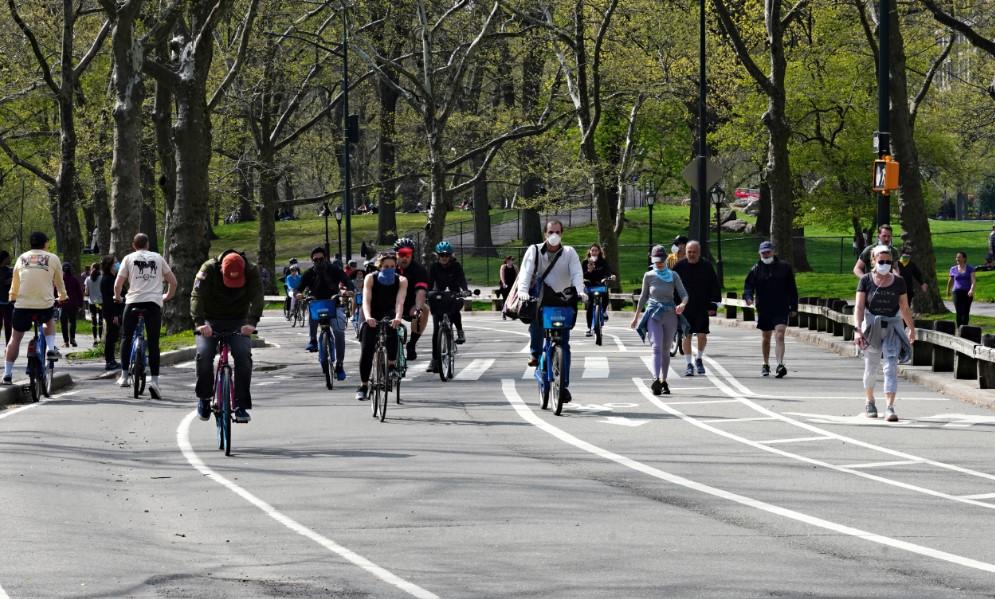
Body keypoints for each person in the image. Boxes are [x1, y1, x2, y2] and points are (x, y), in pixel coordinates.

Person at [191, 250, 263, 423]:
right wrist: (200, 323)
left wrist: (252, 323)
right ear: (222, 270)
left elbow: (258, 296)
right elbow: (197, 296)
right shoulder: (208, 269)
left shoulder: (251, 270)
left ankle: (241, 405)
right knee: (204, 354)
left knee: (243, 356)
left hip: (238, 320)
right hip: (210, 319)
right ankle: (204, 398)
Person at [517, 220, 585, 404]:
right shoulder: (534, 250)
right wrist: (522, 292)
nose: (554, 235)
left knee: (564, 343)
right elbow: (525, 271)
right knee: (537, 325)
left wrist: (580, 290)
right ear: (545, 233)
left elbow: (577, 273)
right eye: (550, 231)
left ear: (562, 233)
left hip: (563, 300)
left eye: (557, 231)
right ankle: (536, 353)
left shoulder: (569, 252)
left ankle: (563, 385)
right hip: (541, 298)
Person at [854, 245, 916, 422]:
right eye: (881, 261)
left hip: (892, 327)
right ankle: (870, 400)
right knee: (871, 368)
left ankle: (890, 407)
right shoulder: (865, 280)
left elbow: (904, 307)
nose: (885, 264)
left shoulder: (899, 282)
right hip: (872, 327)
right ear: (873, 261)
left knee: (890, 367)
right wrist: (858, 330)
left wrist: (911, 328)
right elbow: (859, 307)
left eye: (888, 262)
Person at [114, 233, 178, 399]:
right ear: (148, 244)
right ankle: (155, 381)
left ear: (133, 245)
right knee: (154, 342)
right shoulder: (158, 258)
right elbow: (173, 282)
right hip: (153, 303)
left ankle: (124, 376)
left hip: (133, 302)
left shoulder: (128, 258)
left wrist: (118, 297)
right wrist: (166, 296)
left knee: (127, 337)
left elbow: (118, 284)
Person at [3, 232, 67, 385]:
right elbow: (59, 281)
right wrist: (63, 296)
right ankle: (50, 349)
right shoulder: (52, 258)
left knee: (15, 339)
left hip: (22, 305)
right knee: (49, 319)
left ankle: (7, 374)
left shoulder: (21, 258)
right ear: (45, 243)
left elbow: (15, 282)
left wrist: (12, 296)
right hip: (44, 304)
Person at [631, 245, 688, 395]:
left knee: (665, 349)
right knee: (656, 347)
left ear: (666, 259)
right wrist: (636, 317)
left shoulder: (673, 275)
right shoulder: (648, 276)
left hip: (670, 314)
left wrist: (682, 304)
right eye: (656, 260)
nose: (659, 263)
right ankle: (655, 379)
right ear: (652, 260)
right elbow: (643, 297)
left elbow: (684, 294)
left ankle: (664, 380)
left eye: (661, 260)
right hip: (654, 314)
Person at [295, 245, 353, 379]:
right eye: (315, 260)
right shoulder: (309, 273)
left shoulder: (335, 269)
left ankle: (339, 364)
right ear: (312, 261)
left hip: (334, 304)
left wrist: (349, 290)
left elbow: (347, 281)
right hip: (317, 304)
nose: (318, 262)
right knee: (312, 310)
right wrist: (298, 294)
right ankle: (313, 339)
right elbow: (299, 288)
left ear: (326, 258)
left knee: (339, 332)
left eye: (321, 259)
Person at [355, 251, 407, 401]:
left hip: (389, 312)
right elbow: (366, 300)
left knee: (393, 330)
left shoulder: (402, 280)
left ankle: (391, 365)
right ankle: (363, 385)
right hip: (371, 313)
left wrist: (398, 317)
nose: (389, 269)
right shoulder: (370, 278)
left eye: (392, 266)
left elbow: (400, 301)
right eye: (385, 266)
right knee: (367, 349)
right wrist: (368, 317)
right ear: (379, 266)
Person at [744, 241, 798, 378]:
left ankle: (780, 364)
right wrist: (748, 297)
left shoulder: (784, 267)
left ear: (773, 252)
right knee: (766, 337)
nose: (766, 254)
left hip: (781, 306)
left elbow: (792, 288)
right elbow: (748, 286)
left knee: (779, 334)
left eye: (768, 252)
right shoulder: (756, 269)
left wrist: (793, 306)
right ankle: (765, 363)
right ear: (759, 253)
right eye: (763, 252)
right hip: (764, 307)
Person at [673, 240, 720, 376]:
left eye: (694, 252)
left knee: (702, 335)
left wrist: (713, 305)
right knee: (686, 336)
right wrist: (674, 304)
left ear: (699, 252)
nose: (692, 254)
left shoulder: (706, 266)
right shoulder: (678, 267)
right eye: (689, 252)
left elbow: (714, 286)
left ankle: (699, 358)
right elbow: (673, 288)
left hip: (702, 306)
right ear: (685, 252)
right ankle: (688, 363)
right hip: (684, 308)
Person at [427, 241, 469, 373]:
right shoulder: (434, 267)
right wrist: (426, 292)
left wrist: (465, 290)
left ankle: (460, 331)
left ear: (450, 255)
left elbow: (462, 280)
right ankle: (434, 360)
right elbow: (429, 282)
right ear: (437, 256)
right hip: (439, 296)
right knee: (435, 331)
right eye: (441, 255)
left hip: (454, 294)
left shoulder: (456, 266)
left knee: (455, 307)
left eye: (446, 255)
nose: (444, 257)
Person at [393, 238, 430, 361]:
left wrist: (418, 308)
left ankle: (412, 344)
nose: (405, 258)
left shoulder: (419, 270)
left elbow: (421, 291)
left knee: (424, 310)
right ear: (396, 254)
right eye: (402, 254)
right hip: (391, 304)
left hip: (410, 304)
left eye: (408, 254)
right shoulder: (389, 267)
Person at [583, 243, 614, 337]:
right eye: (592, 250)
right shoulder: (585, 262)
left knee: (605, 292)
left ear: (599, 252)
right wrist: (589, 271)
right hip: (589, 286)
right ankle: (589, 328)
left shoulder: (603, 262)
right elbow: (581, 275)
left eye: (596, 250)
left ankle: (604, 310)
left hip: (600, 285)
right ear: (589, 251)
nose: (594, 252)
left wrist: (611, 276)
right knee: (589, 305)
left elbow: (608, 272)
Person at [99, 256, 121, 371]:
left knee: (113, 336)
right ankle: (109, 361)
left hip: (113, 312)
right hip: (111, 312)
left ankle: (111, 359)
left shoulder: (113, 278)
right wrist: (115, 315)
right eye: (116, 262)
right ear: (110, 265)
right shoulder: (108, 279)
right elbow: (109, 300)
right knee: (111, 336)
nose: (118, 264)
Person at [947, 251, 976, 327]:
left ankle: (965, 329)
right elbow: (951, 281)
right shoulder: (953, 269)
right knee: (959, 311)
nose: (957, 259)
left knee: (966, 311)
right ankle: (959, 328)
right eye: (956, 257)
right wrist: (948, 290)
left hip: (967, 292)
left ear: (964, 258)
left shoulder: (970, 268)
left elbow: (973, 281)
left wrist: (971, 290)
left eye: (959, 257)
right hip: (956, 292)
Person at [59, 262, 84, 347]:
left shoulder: (60, 280)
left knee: (63, 323)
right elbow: (79, 293)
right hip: (73, 304)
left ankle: (66, 341)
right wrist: (80, 304)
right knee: (72, 322)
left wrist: (55, 303)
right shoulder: (75, 280)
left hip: (63, 304)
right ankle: (72, 338)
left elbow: (55, 291)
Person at [83, 262, 103, 345]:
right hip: (101, 302)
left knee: (94, 320)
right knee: (101, 320)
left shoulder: (87, 279)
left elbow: (86, 292)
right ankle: (101, 338)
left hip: (92, 303)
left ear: (91, 269)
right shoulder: (102, 278)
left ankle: (95, 339)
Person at [0, 251, 14, 344]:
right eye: (8, 257)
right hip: (1, 303)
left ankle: (8, 347)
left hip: (8, 303)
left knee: (8, 325)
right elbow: (5, 282)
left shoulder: (8, 270)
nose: (10, 259)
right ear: (4, 259)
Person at [498, 256, 517, 321]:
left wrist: (517, 285)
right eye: (510, 260)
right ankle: (504, 313)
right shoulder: (503, 267)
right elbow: (502, 276)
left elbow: (517, 276)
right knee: (505, 299)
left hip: (512, 285)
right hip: (505, 285)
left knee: (512, 300)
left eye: (512, 260)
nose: (512, 261)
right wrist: (503, 283)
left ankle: (512, 314)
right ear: (507, 260)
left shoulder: (515, 267)